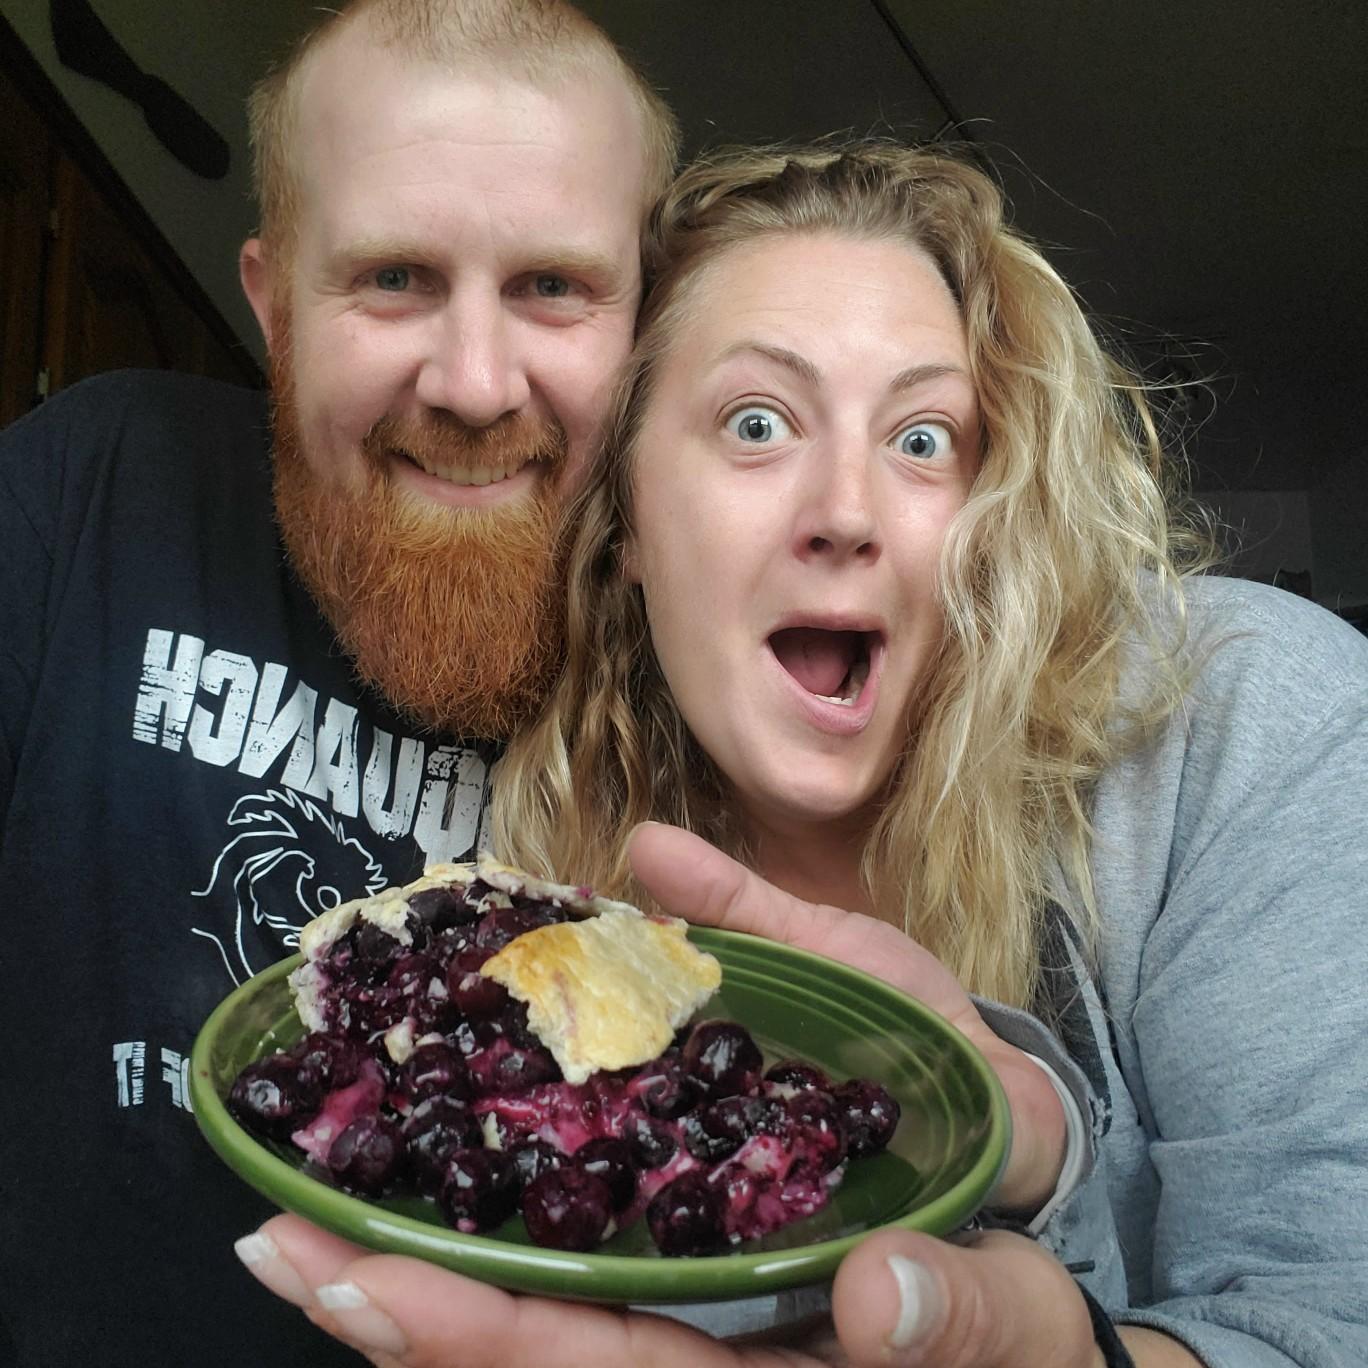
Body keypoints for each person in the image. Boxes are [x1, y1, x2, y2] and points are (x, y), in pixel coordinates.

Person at [245, 145, 1368, 1366]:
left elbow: (1328, 1316)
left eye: (925, 440)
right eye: (758, 423)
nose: (844, 511)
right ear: (626, 527)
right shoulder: (534, 946)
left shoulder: (1241, 713)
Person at [0, 1, 678, 1363]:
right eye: (395, 278)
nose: (475, 384)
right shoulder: (94, 488)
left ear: (652, 318)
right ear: (273, 303)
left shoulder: (722, 649)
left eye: (554, 286)